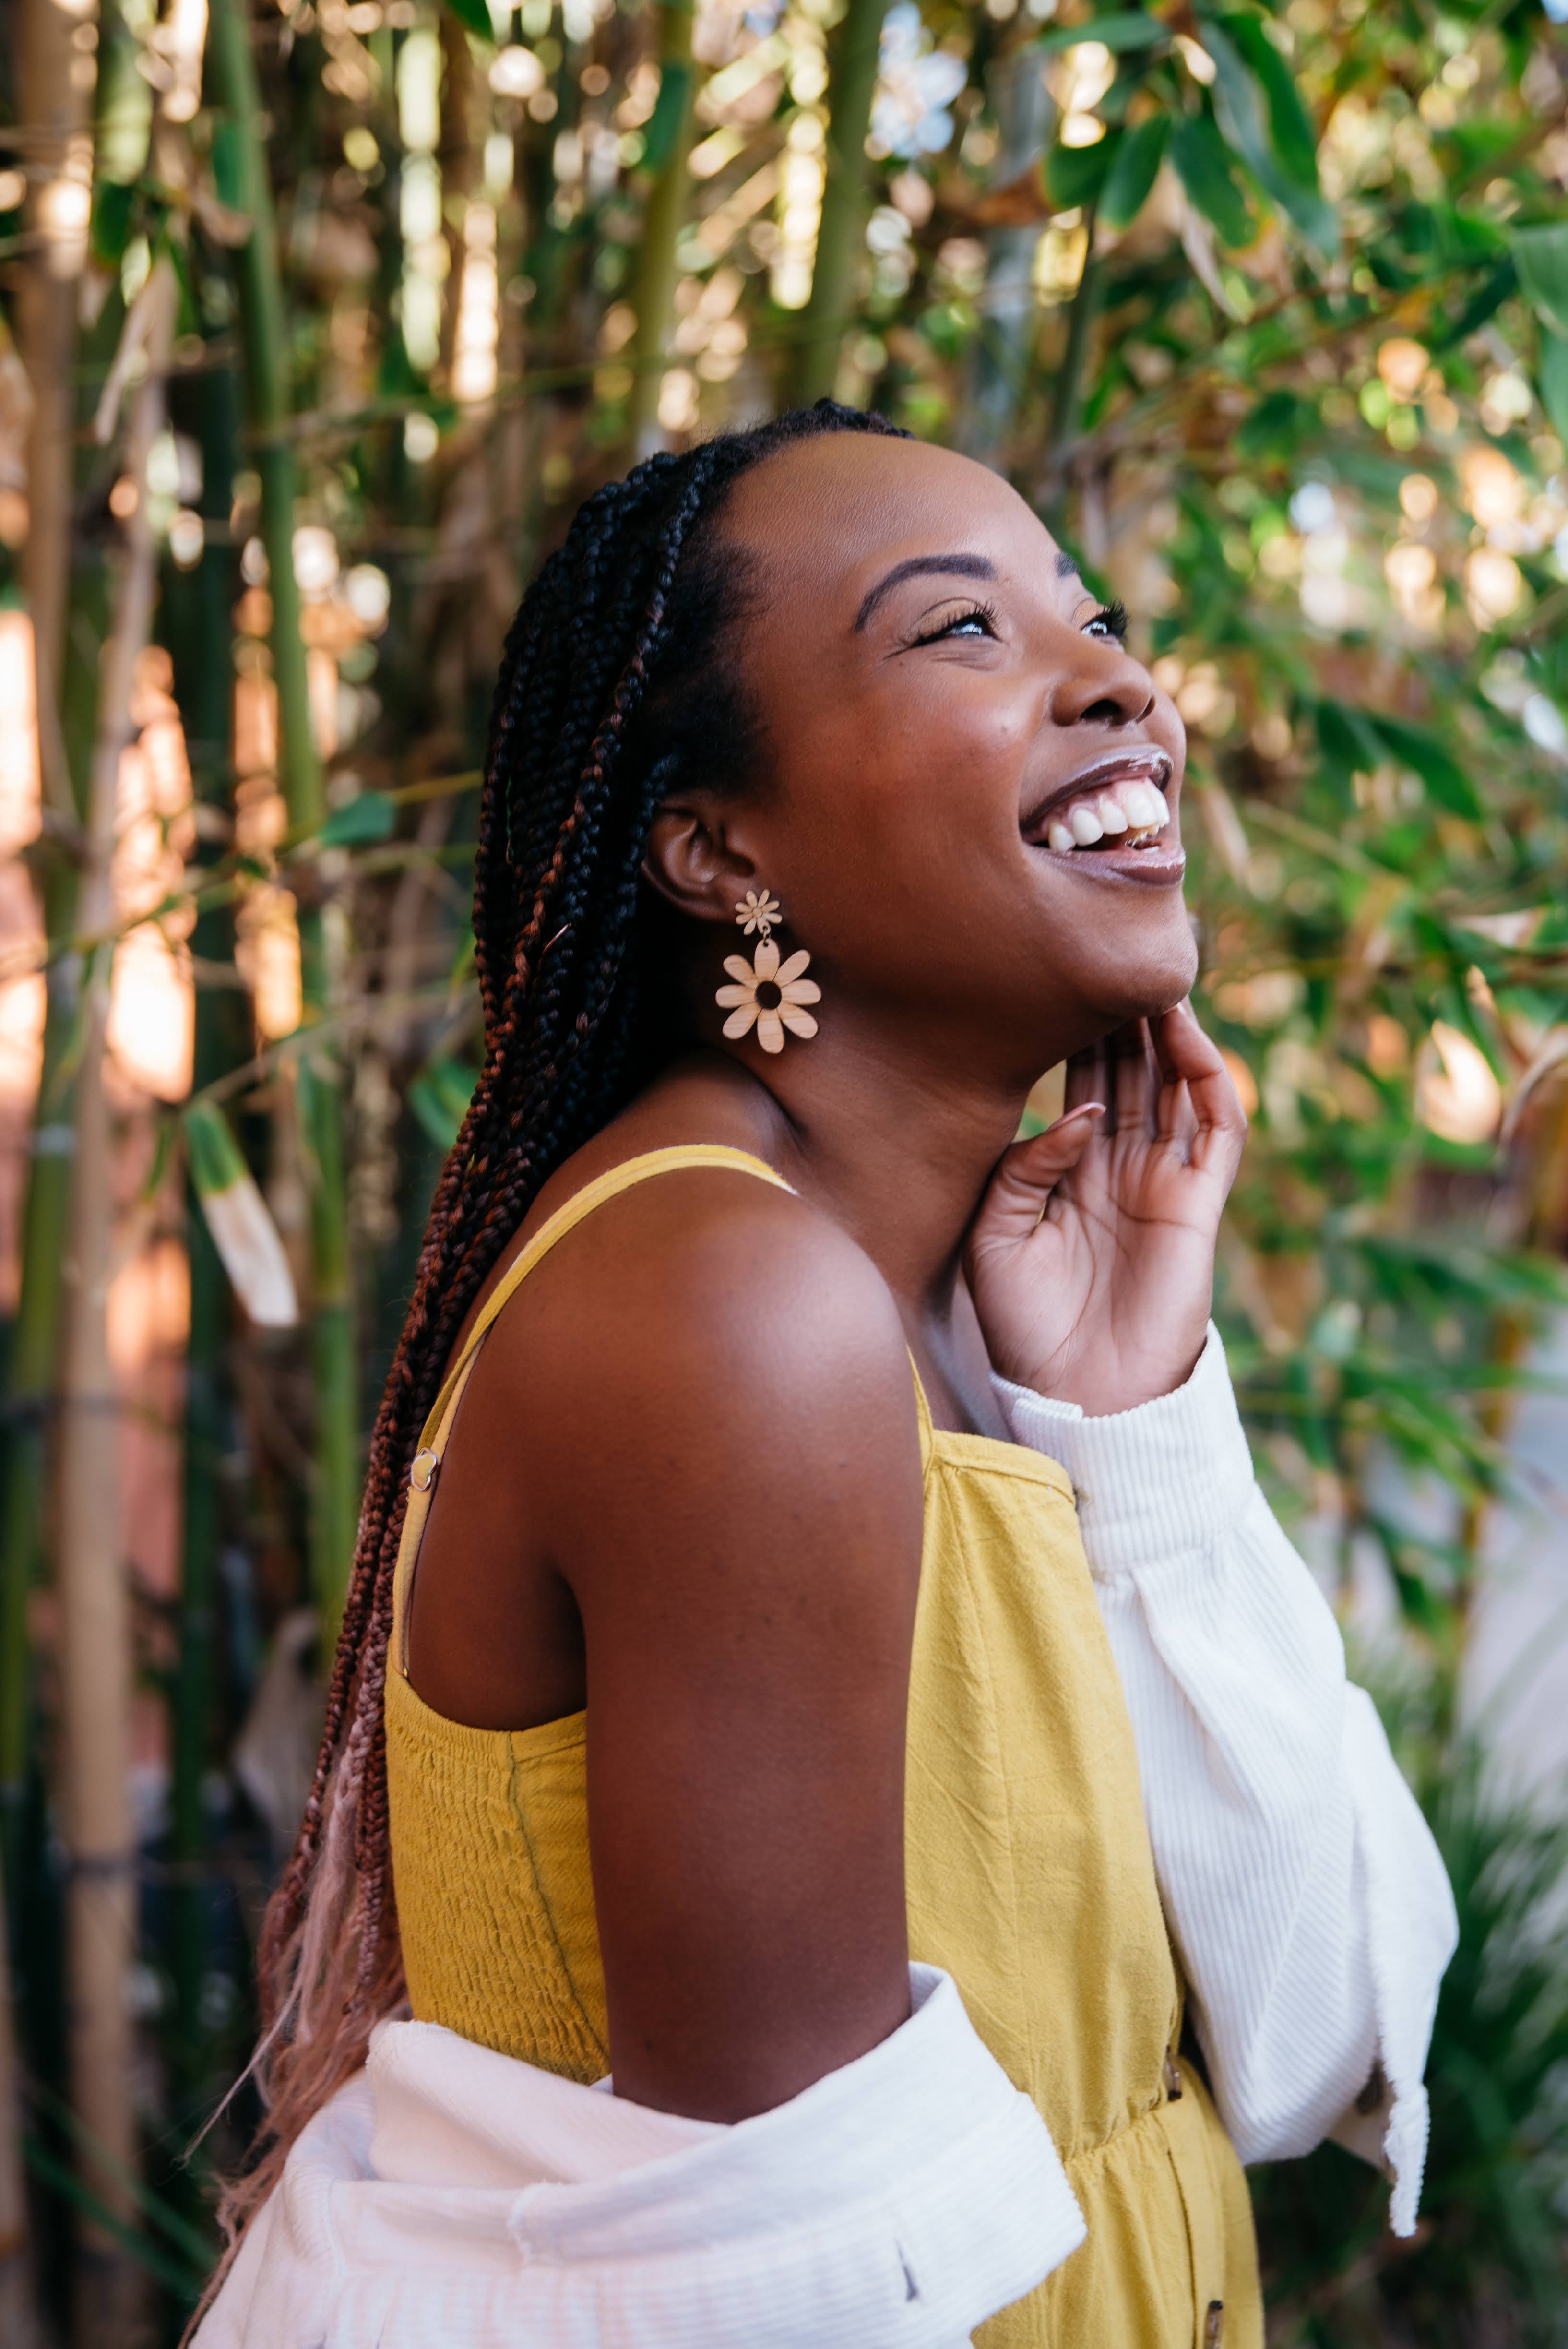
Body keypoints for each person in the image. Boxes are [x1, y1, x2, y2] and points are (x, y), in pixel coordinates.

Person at [196, 403, 1456, 2349]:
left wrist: (1139, 1443)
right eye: (961, 632)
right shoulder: (726, 1313)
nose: (1120, 678)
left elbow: (1315, 2045)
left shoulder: (949, 1296)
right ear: (716, 848)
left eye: (1095, 617)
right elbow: (788, 2301)